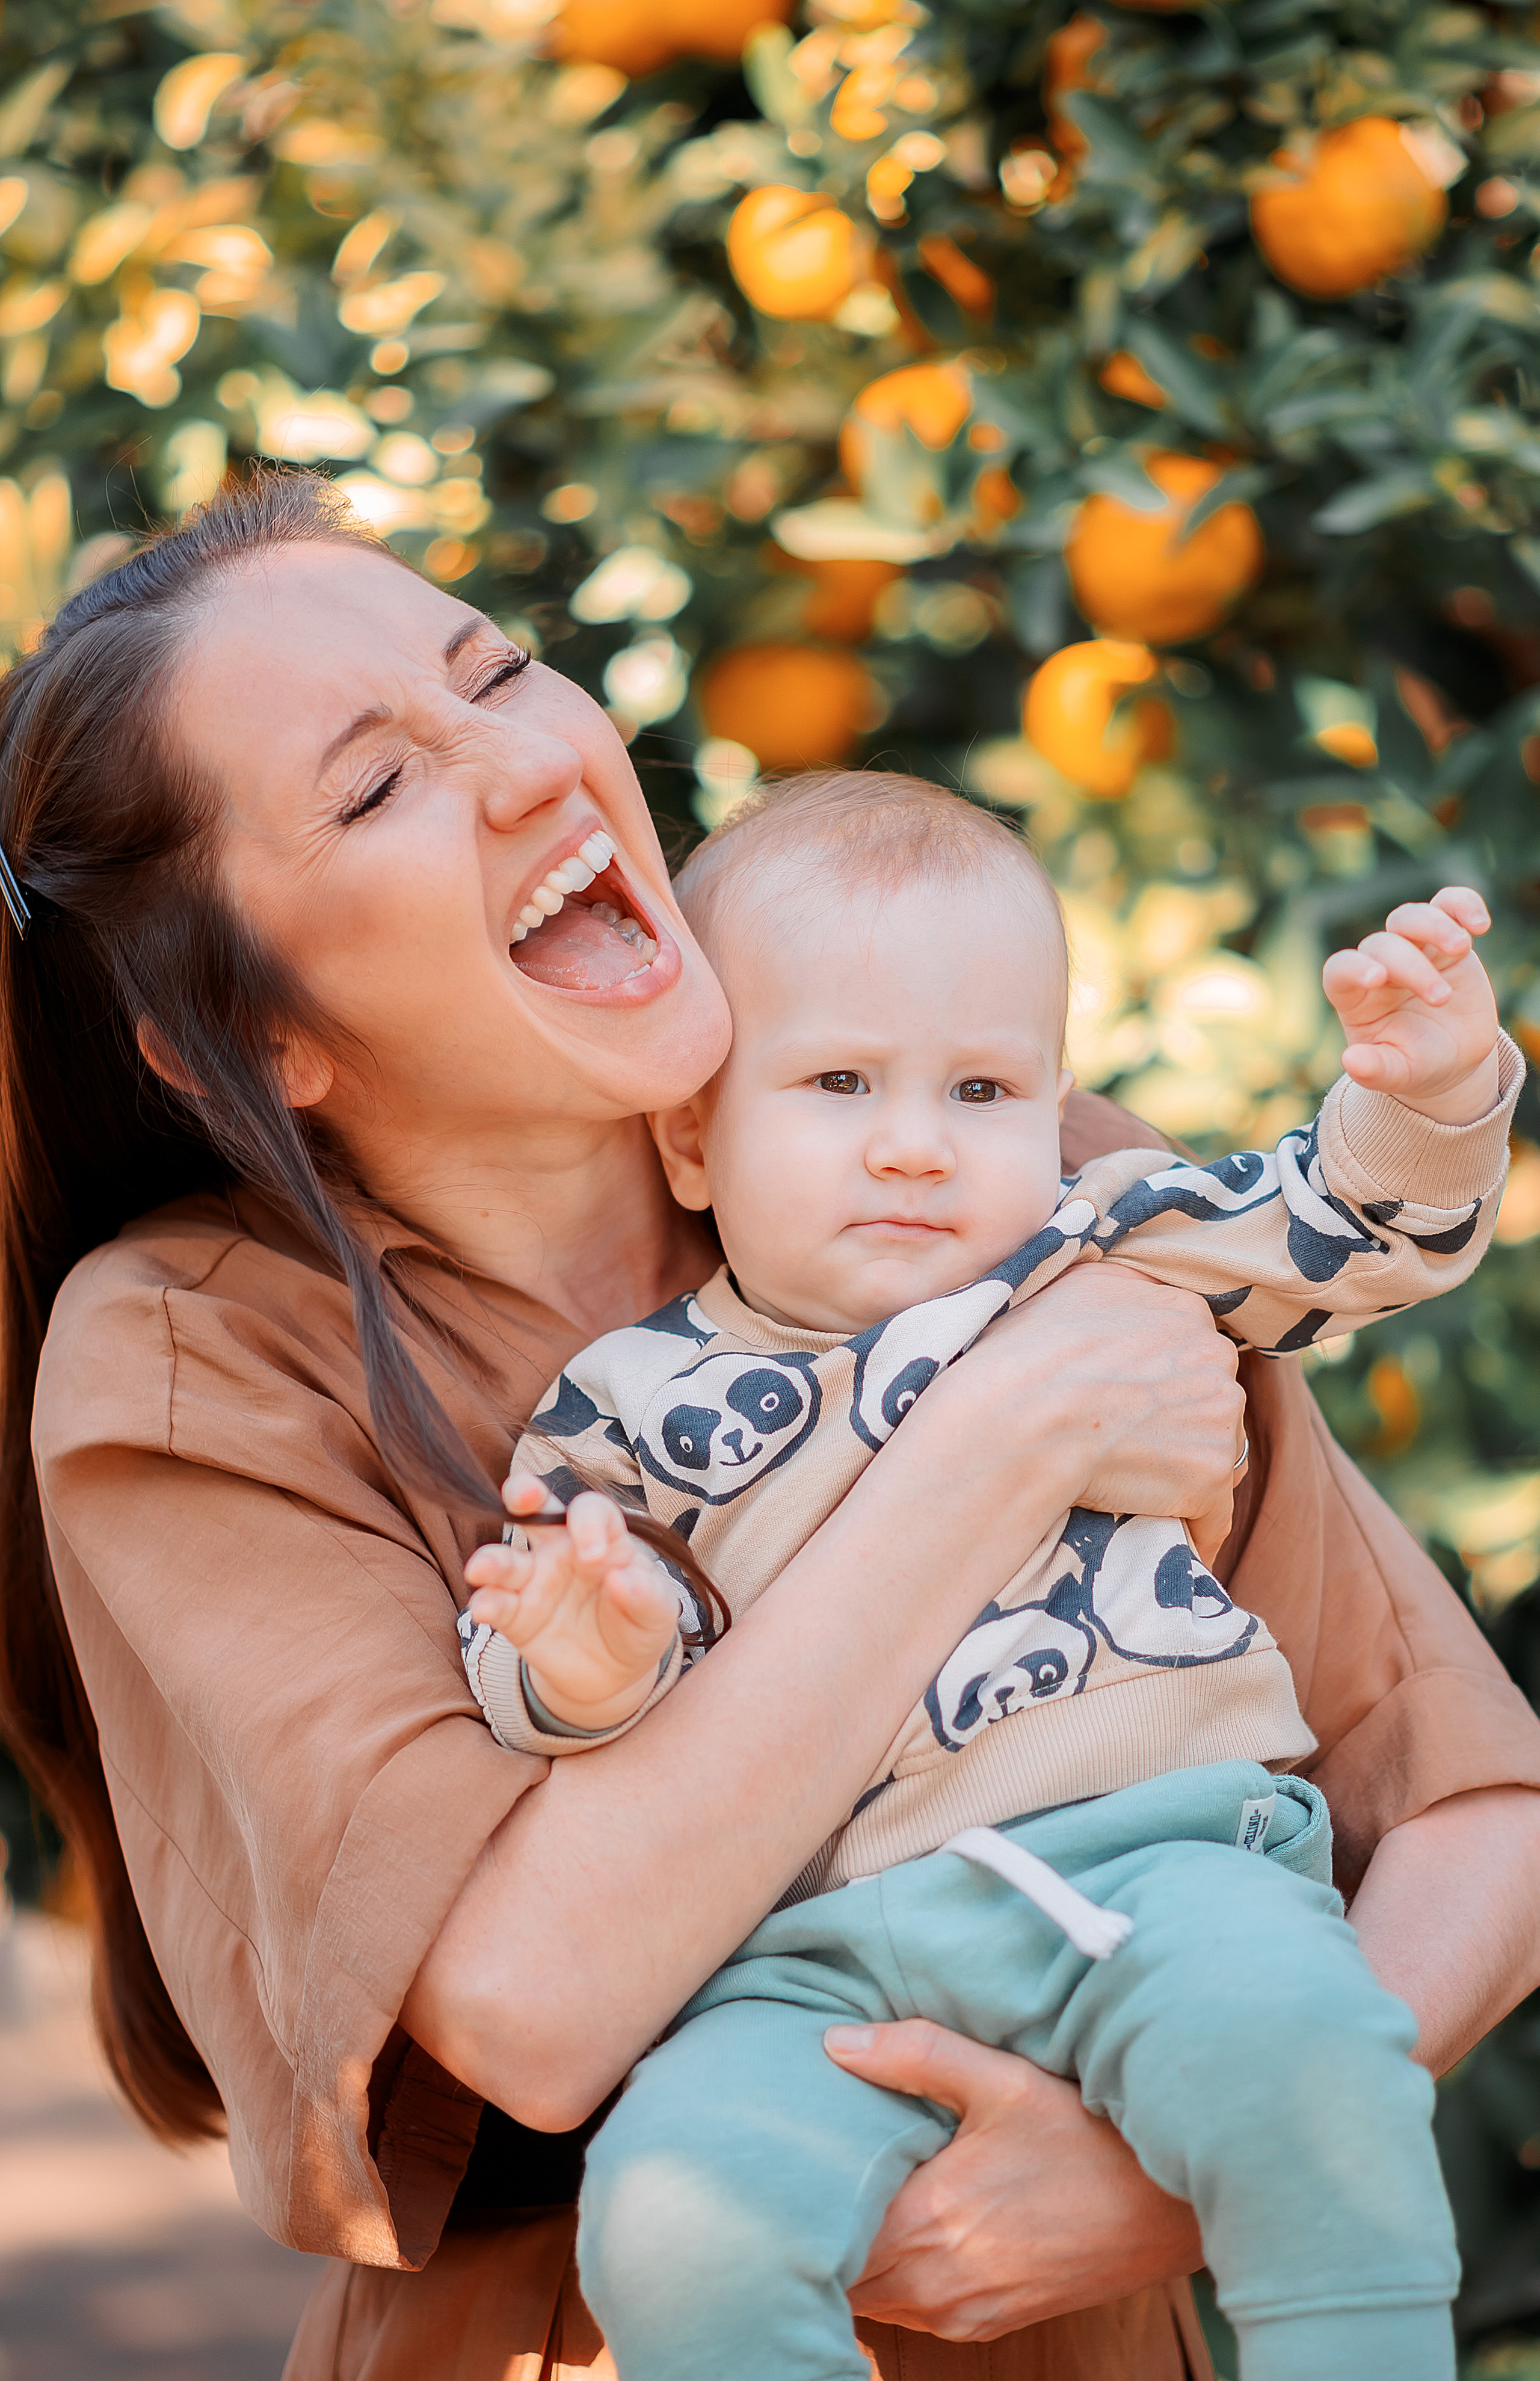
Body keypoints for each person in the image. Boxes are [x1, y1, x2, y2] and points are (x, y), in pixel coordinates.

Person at [0, 475, 1534, 2381]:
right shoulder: (189, 1363)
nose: (525, 765)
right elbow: (540, 2004)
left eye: (503, 672)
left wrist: (1182, 2168)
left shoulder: (1000, 1168)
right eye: (379, 785)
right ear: (260, 1034)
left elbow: (1483, 1808)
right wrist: (1005, 1441)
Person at [460, 773, 1517, 2381]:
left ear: (1054, 1104)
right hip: (807, 1955)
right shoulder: (635, 1398)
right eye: (836, 1082)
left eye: (981, 1089)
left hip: (1164, 1872)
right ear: (693, 1136)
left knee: (1308, 2063)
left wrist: (1430, 1091)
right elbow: (605, 1661)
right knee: (674, 2219)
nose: (913, 1148)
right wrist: (586, 1654)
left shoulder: (1104, 1247)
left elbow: (1347, 1228)